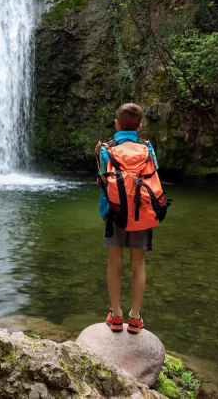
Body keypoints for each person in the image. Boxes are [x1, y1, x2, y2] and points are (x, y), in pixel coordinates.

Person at [95, 103, 169, 334]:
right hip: (142, 213)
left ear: (116, 124)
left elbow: (103, 181)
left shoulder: (107, 148)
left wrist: (98, 155)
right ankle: (135, 318)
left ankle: (116, 316)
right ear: (140, 125)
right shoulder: (147, 148)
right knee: (138, 265)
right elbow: (153, 176)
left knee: (114, 264)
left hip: (115, 213)